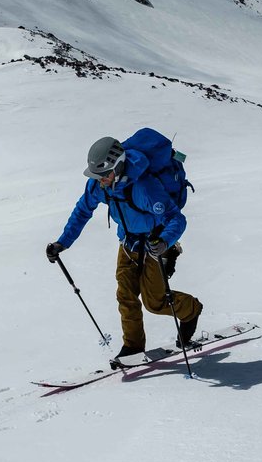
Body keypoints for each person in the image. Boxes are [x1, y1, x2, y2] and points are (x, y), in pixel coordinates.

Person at [46, 130, 203, 366]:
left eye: (104, 175)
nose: (100, 181)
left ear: (118, 167)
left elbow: (176, 219)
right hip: (128, 244)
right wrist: (62, 242)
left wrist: (164, 242)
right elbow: (82, 212)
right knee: (125, 295)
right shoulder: (99, 185)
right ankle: (133, 347)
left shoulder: (144, 188)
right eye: (96, 175)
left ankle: (191, 310)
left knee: (155, 302)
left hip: (155, 244)